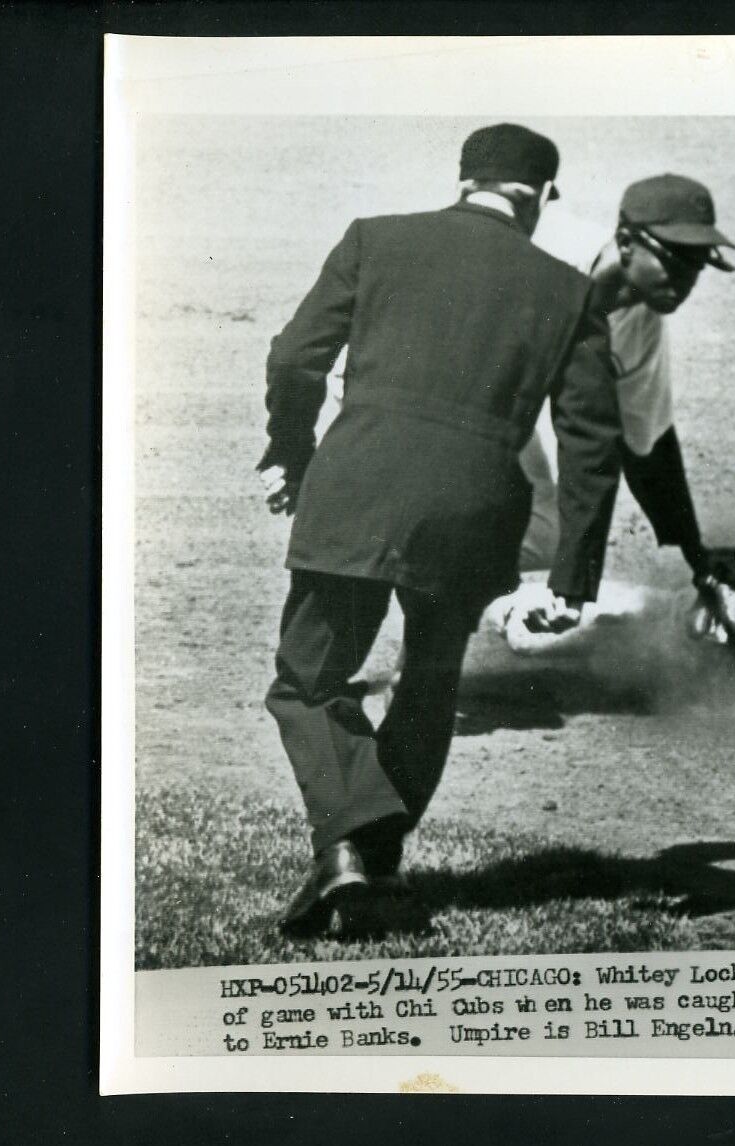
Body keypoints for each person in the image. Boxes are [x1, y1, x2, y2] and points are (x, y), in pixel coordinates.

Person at [256, 124, 621, 937]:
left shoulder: (374, 240)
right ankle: (371, 868)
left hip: (358, 488)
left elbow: (293, 359)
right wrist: (573, 576)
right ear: (537, 196)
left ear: (465, 182)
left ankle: (348, 856)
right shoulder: (570, 292)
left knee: (307, 681)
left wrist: (291, 449)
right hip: (476, 512)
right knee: (429, 681)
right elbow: (594, 440)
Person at [485, 173, 735, 643]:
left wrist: (695, 557)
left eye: (698, 263)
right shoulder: (544, 252)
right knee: (453, 506)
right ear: (625, 242)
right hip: (394, 379)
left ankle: (481, 598)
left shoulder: (640, 326)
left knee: (547, 539)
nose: (685, 279)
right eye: (674, 257)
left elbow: (643, 442)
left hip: (496, 406)